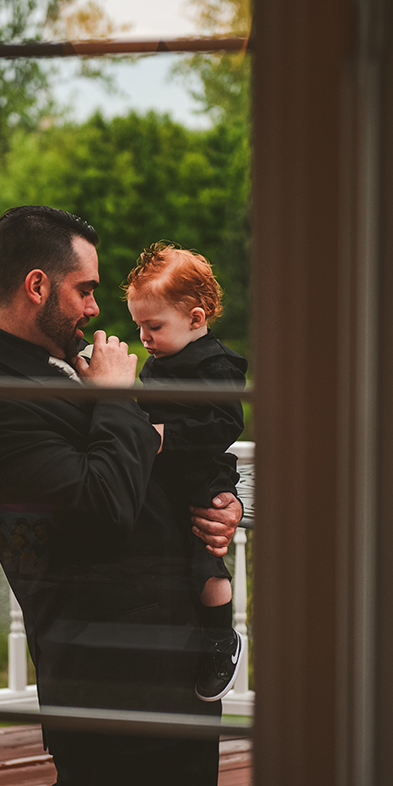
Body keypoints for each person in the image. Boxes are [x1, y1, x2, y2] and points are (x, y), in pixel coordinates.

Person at [0, 205, 242, 786]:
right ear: (37, 285)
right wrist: (114, 392)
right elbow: (99, 512)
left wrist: (219, 506)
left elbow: (142, 470)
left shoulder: (51, 366)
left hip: (173, 659)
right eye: (85, 290)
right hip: (106, 671)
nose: (96, 309)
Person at [124, 242, 248, 702]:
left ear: (196, 318)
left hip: (200, 474)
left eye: (153, 326)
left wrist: (163, 436)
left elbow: (226, 423)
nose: (144, 337)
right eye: (139, 326)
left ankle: (222, 640)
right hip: (164, 474)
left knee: (204, 560)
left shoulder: (215, 364)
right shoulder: (162, 361)